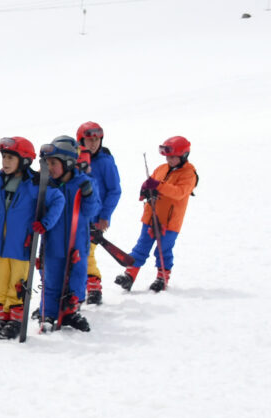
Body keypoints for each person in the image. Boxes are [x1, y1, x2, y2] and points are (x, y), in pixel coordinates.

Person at [0, 138, 63, 338]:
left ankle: (15, 319)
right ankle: (2, 317)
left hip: (22, 243)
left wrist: (45, 223)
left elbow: (58, 200)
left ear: (24, 160)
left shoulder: (33, 183)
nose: (5, 161)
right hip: (0, 242)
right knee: (1, 280)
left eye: (10, 158)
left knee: (17, 282)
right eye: (4, 157)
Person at [115, 136, 197, 293]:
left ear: (184, 155)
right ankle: (130, 275)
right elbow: (151, 182)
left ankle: (162, 278)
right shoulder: (161, 168)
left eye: (173, 157)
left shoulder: (189, 174)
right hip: (151, 217)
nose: (169, 160)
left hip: (170, 221)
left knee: (163, 249)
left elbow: (179, 193)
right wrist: (145, 190)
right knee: (141, 247)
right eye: (167, 157)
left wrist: (159, 186)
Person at [37, 137, 100, 331]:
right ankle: (48, 313)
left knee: (77, 278)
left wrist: (89, 195)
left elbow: (91, 212)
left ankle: (71, 312)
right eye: (47, 163)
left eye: (54, 163)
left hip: (77, 242)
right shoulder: (45, 185)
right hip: (53, 242)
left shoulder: (84, 183)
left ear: (69, 163)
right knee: (51, 279)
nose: (50, 167)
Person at [77, 121, 122, 305]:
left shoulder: (105, 162)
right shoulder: (75, 159)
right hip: (76, 217)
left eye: (97, 139)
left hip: (95, 218)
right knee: (78, 253)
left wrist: (105, 215)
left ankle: (93, 287)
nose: (93, 143)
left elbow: (114, 190)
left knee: (86, 253)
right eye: (89, 139)